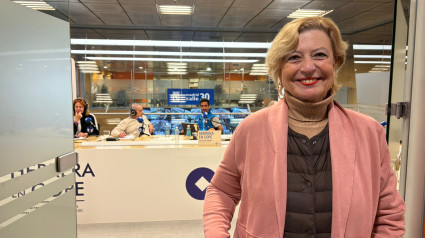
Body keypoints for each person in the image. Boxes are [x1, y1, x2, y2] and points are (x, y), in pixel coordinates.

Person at [203, 16, 405, 238]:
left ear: (336, 62)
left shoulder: (369, 133)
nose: (308, 67)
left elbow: (389, 213)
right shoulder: (251, 130)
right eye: (294, 57)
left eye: (320, 55)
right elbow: (221, 191)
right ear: (279, 69)